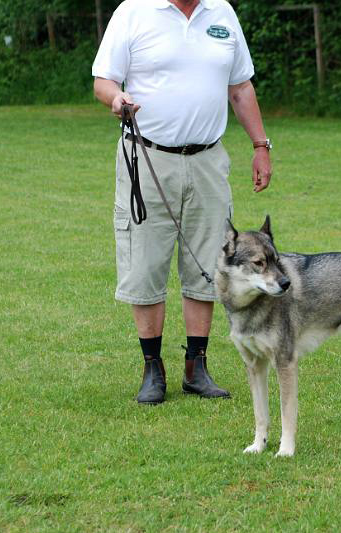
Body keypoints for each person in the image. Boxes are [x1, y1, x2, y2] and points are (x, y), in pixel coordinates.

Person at [92, 0, 272, 405]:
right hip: (148, 155)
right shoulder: (133, 11)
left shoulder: (221, 13)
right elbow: (102, 80)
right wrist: (117, 99)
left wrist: (260, 145)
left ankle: (197, 366)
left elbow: (240, 87)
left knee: (208, 262)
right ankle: (152, 368)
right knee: (146, 262)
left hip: (208, 159)